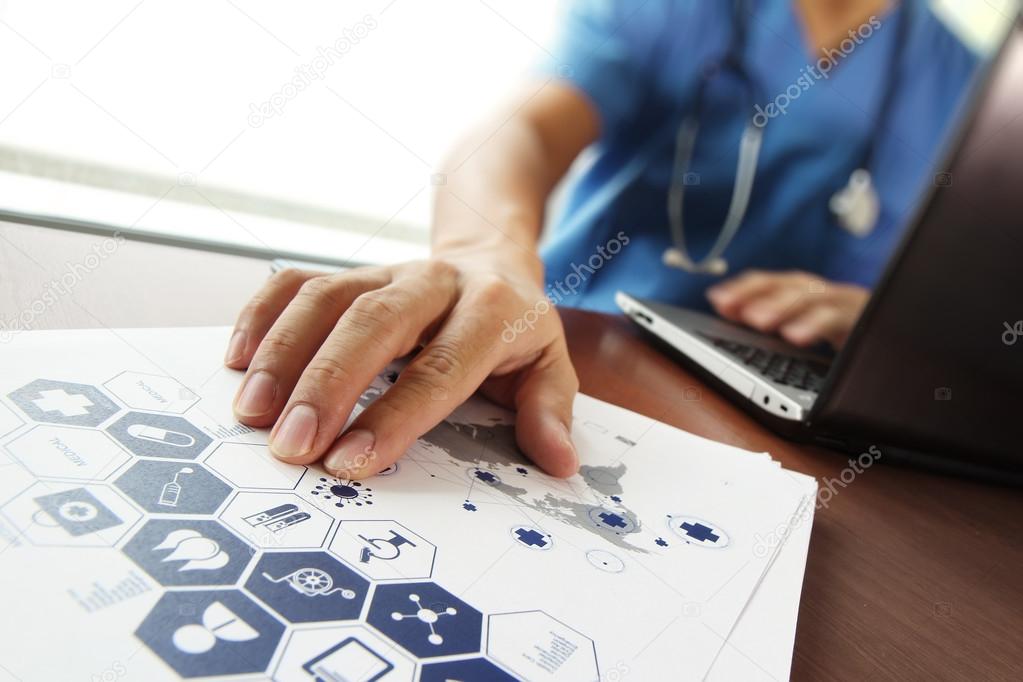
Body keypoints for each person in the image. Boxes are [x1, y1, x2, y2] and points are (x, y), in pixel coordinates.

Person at [224, 0, 977, 480]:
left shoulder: (969, 83)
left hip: (808, 426)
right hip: (586, 358)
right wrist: (485, 253)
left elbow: (986, 286)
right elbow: (519, 128)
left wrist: (895, 325)